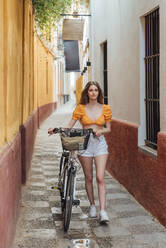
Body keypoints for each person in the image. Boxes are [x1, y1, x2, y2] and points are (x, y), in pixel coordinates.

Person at [48, 81, 112, 224]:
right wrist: (57, 129)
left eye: (96, 90)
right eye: (91, 90)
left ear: (99, 92)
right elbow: (70, 125)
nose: (94, 92)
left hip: (100, 145)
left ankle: (103, 211)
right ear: (87, 93)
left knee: (100, 178)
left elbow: (108, 128)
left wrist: (100, 131)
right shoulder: (81, 108)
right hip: (85, 144)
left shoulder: (105, 108)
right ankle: (92, 206)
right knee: (88, 178)